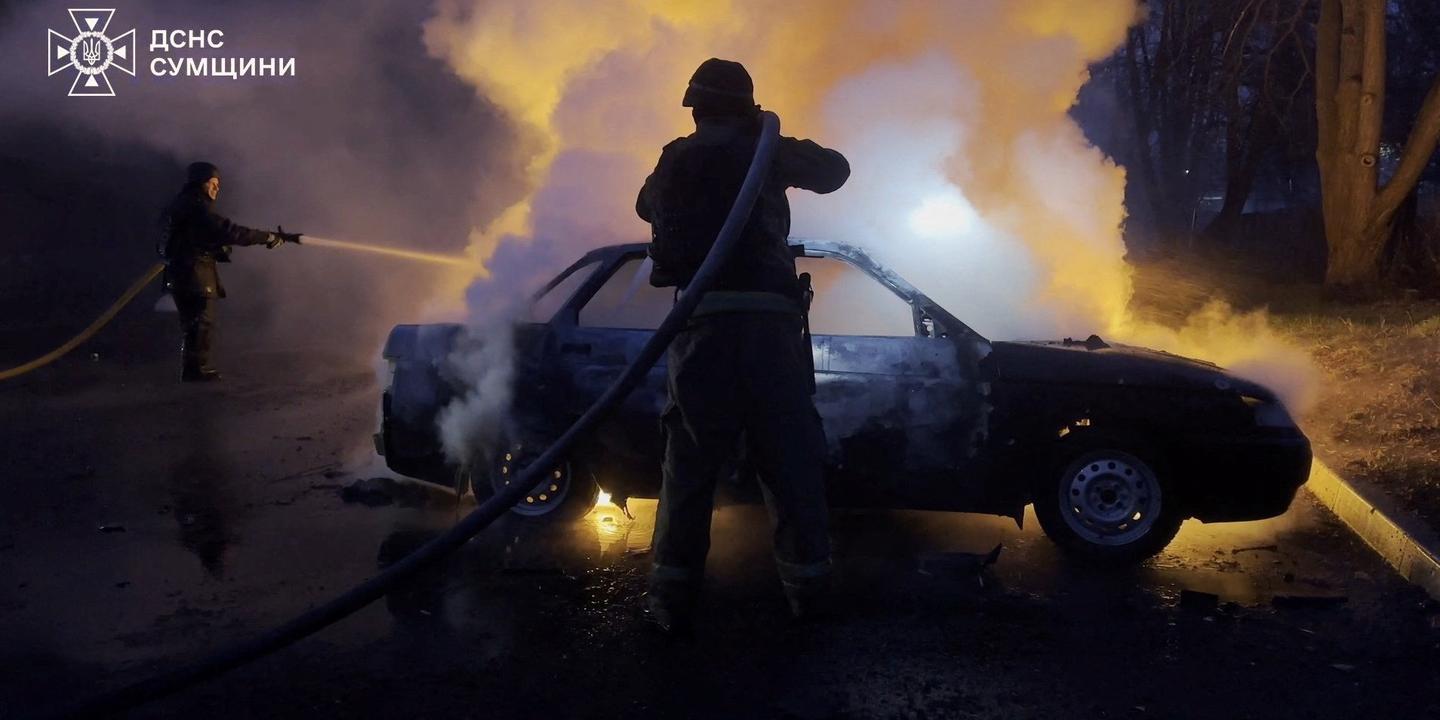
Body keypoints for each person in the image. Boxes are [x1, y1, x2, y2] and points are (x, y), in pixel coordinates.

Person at [636, 58, 850, 633]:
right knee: (790, 462)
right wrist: (768, 137)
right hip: (768, 335)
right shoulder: (767, 149)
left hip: (700, 332)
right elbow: (835, 171)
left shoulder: (675, 156)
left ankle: (671, 600)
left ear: (696, 107)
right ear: (747, 105)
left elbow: (644, 205)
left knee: (688, 468)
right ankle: (809, 596)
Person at [160, 162, 300, 382]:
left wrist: (215, 247)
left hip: (183, 272)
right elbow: (230, 231)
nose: (216, 189)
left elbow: (192, 237)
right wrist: (267, 237)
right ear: (200, 182)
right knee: (201, 322)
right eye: (212, 183)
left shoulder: (181, 204)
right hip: (194, 274)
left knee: (195, 324)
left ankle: (195, 369)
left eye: (218, 184)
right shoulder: (197, 207)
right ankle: (197, 371)